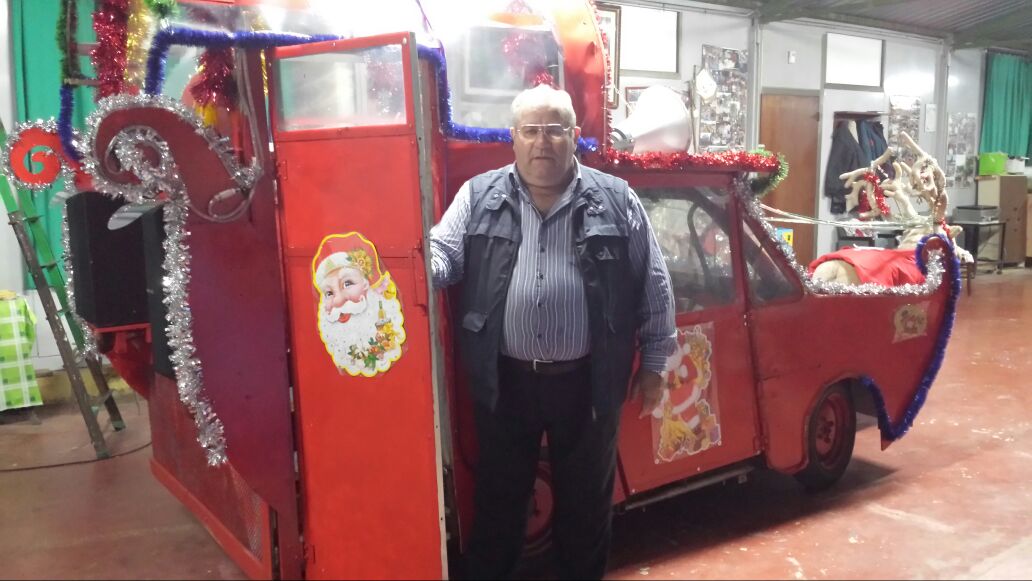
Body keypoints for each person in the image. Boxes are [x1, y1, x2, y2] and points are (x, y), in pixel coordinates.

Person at [429, 85, 676, 579]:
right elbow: (442, 254)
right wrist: (409, 265)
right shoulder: (477, 196)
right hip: (505, 382)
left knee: (586, 512)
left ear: (574, 135)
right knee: (498, 507)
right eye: (531, 131)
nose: (542, 142)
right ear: (514, 138)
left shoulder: (616, 199)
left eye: (554, 130)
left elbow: (654, 284)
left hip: (589, 383)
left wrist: (653, 366)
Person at [313, 233, 406, 377]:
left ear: (366, 284)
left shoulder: (384, 310)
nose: (338, 301)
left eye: (347, 283)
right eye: (329, 293)